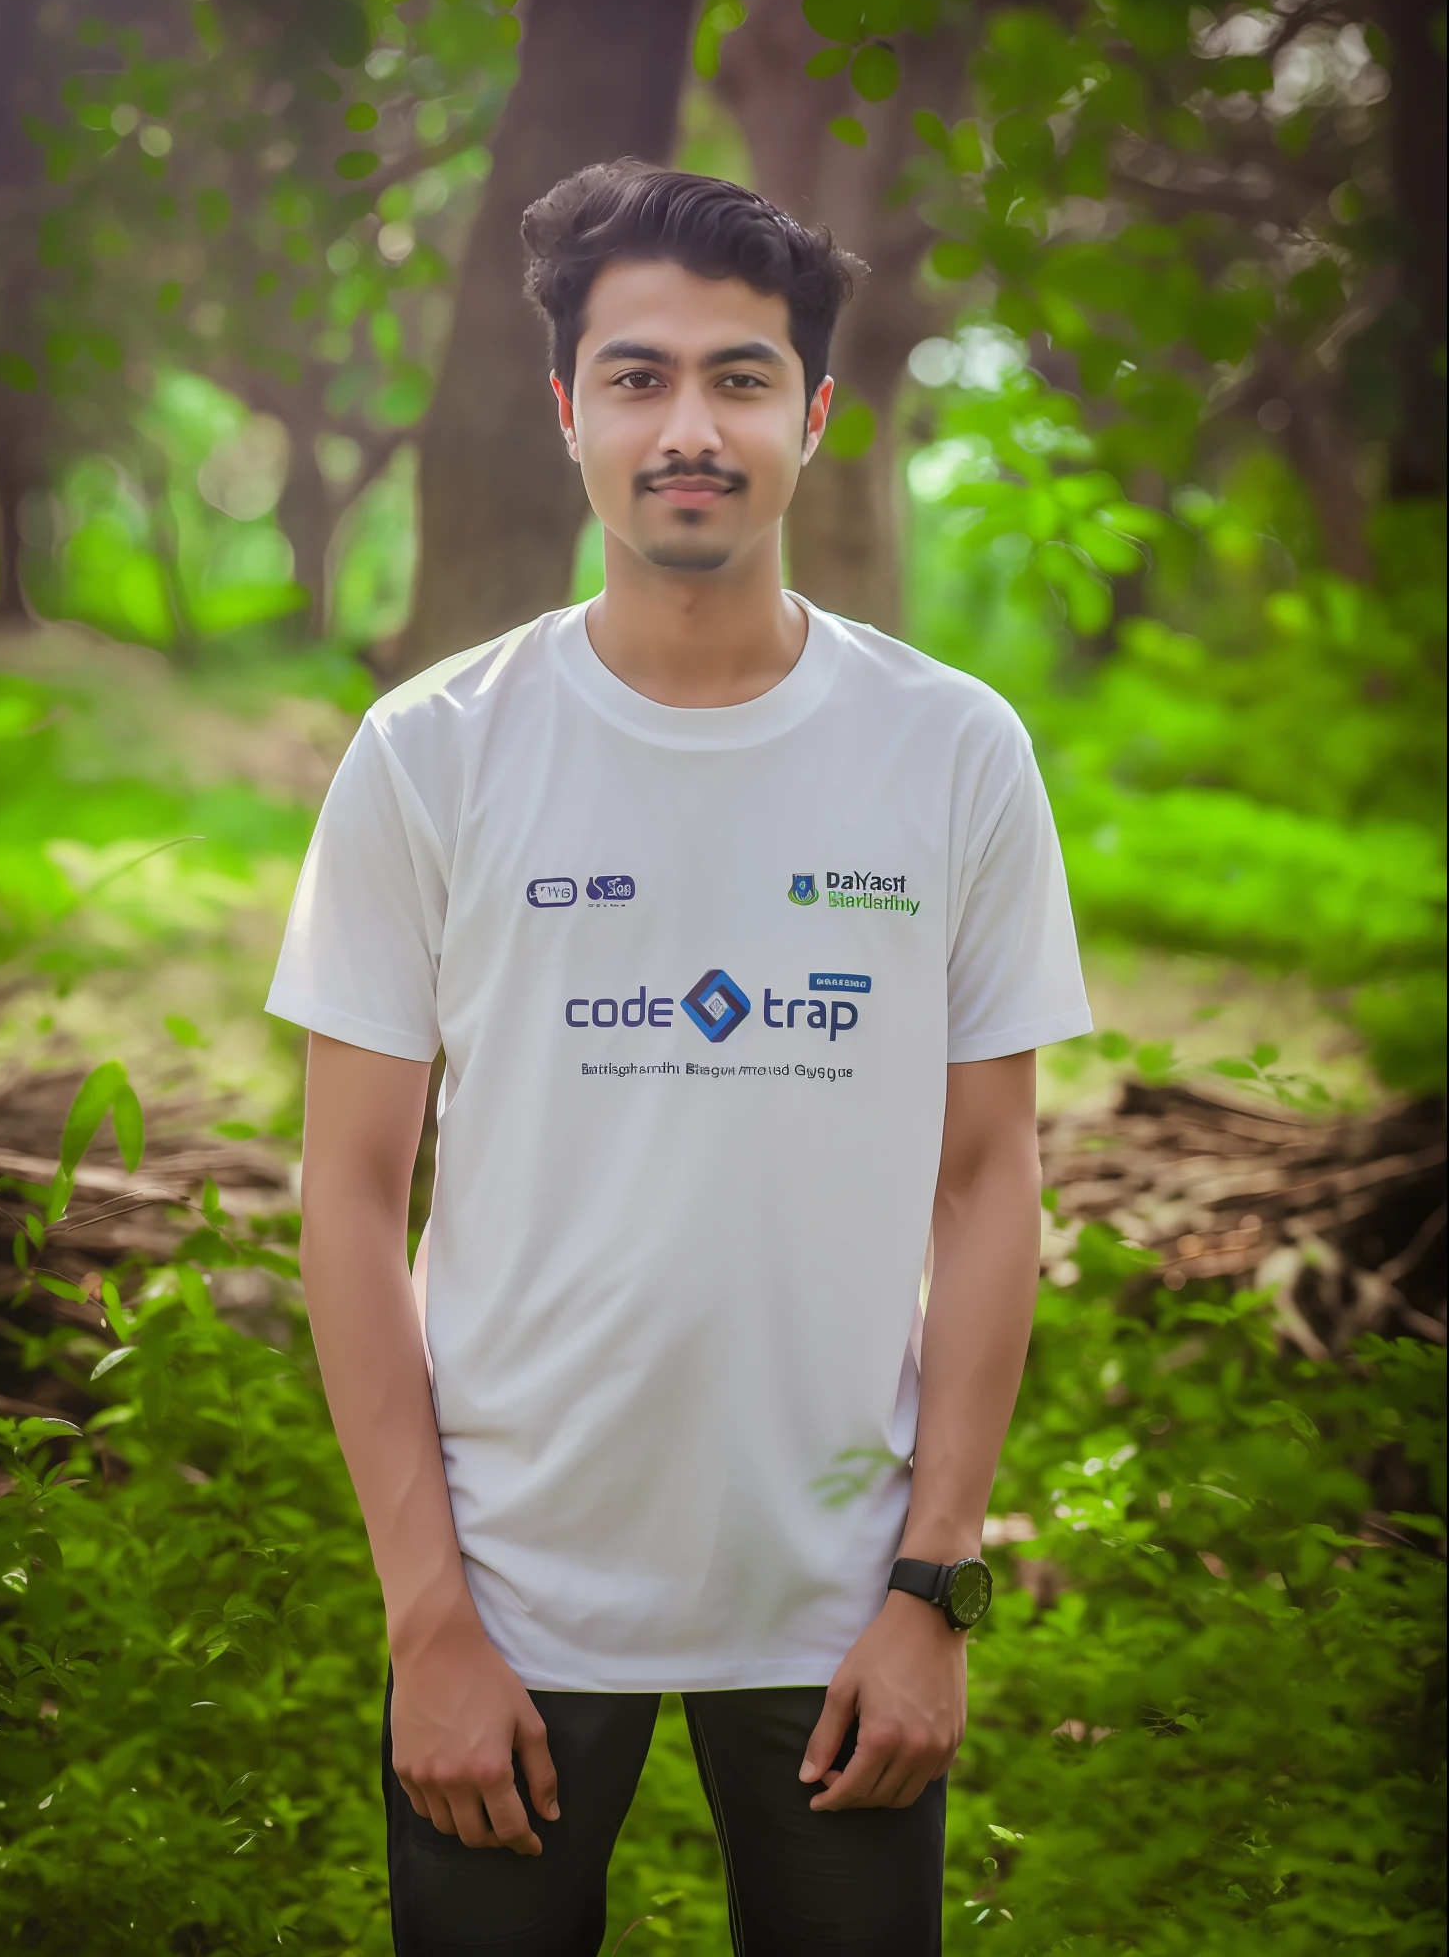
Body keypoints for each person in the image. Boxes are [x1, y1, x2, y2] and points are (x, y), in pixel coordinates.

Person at [267, 160, 1092, 1957]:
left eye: (739, 377)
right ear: (568, 413)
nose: (688, 428)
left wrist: (935, 1586)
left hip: (840, 1611)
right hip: (514, 1602)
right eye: (637, 378)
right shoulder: (434, 754)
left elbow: (987, 1176)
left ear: (816, 411)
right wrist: (429, 1619)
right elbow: (343, 1195)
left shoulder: (954, 753)